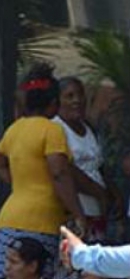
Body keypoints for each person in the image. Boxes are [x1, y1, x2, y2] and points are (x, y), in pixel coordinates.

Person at [0, 64, 84, 279]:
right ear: (53, 104)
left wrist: (21, 183)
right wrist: (77, 213)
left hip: (10, 217)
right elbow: (60, 173)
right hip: (42, 220)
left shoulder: (15, 129)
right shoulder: (52, 130)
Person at [54, 77, 111, 241]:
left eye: (80, 95)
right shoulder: (56, 128)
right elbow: (65, 169)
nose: (76, 100)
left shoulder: (88, 127)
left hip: (96, 212)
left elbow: (97, 165)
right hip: (74, 213)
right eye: (69, 96)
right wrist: (99, 192)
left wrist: (111, 194)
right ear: (58, 100)